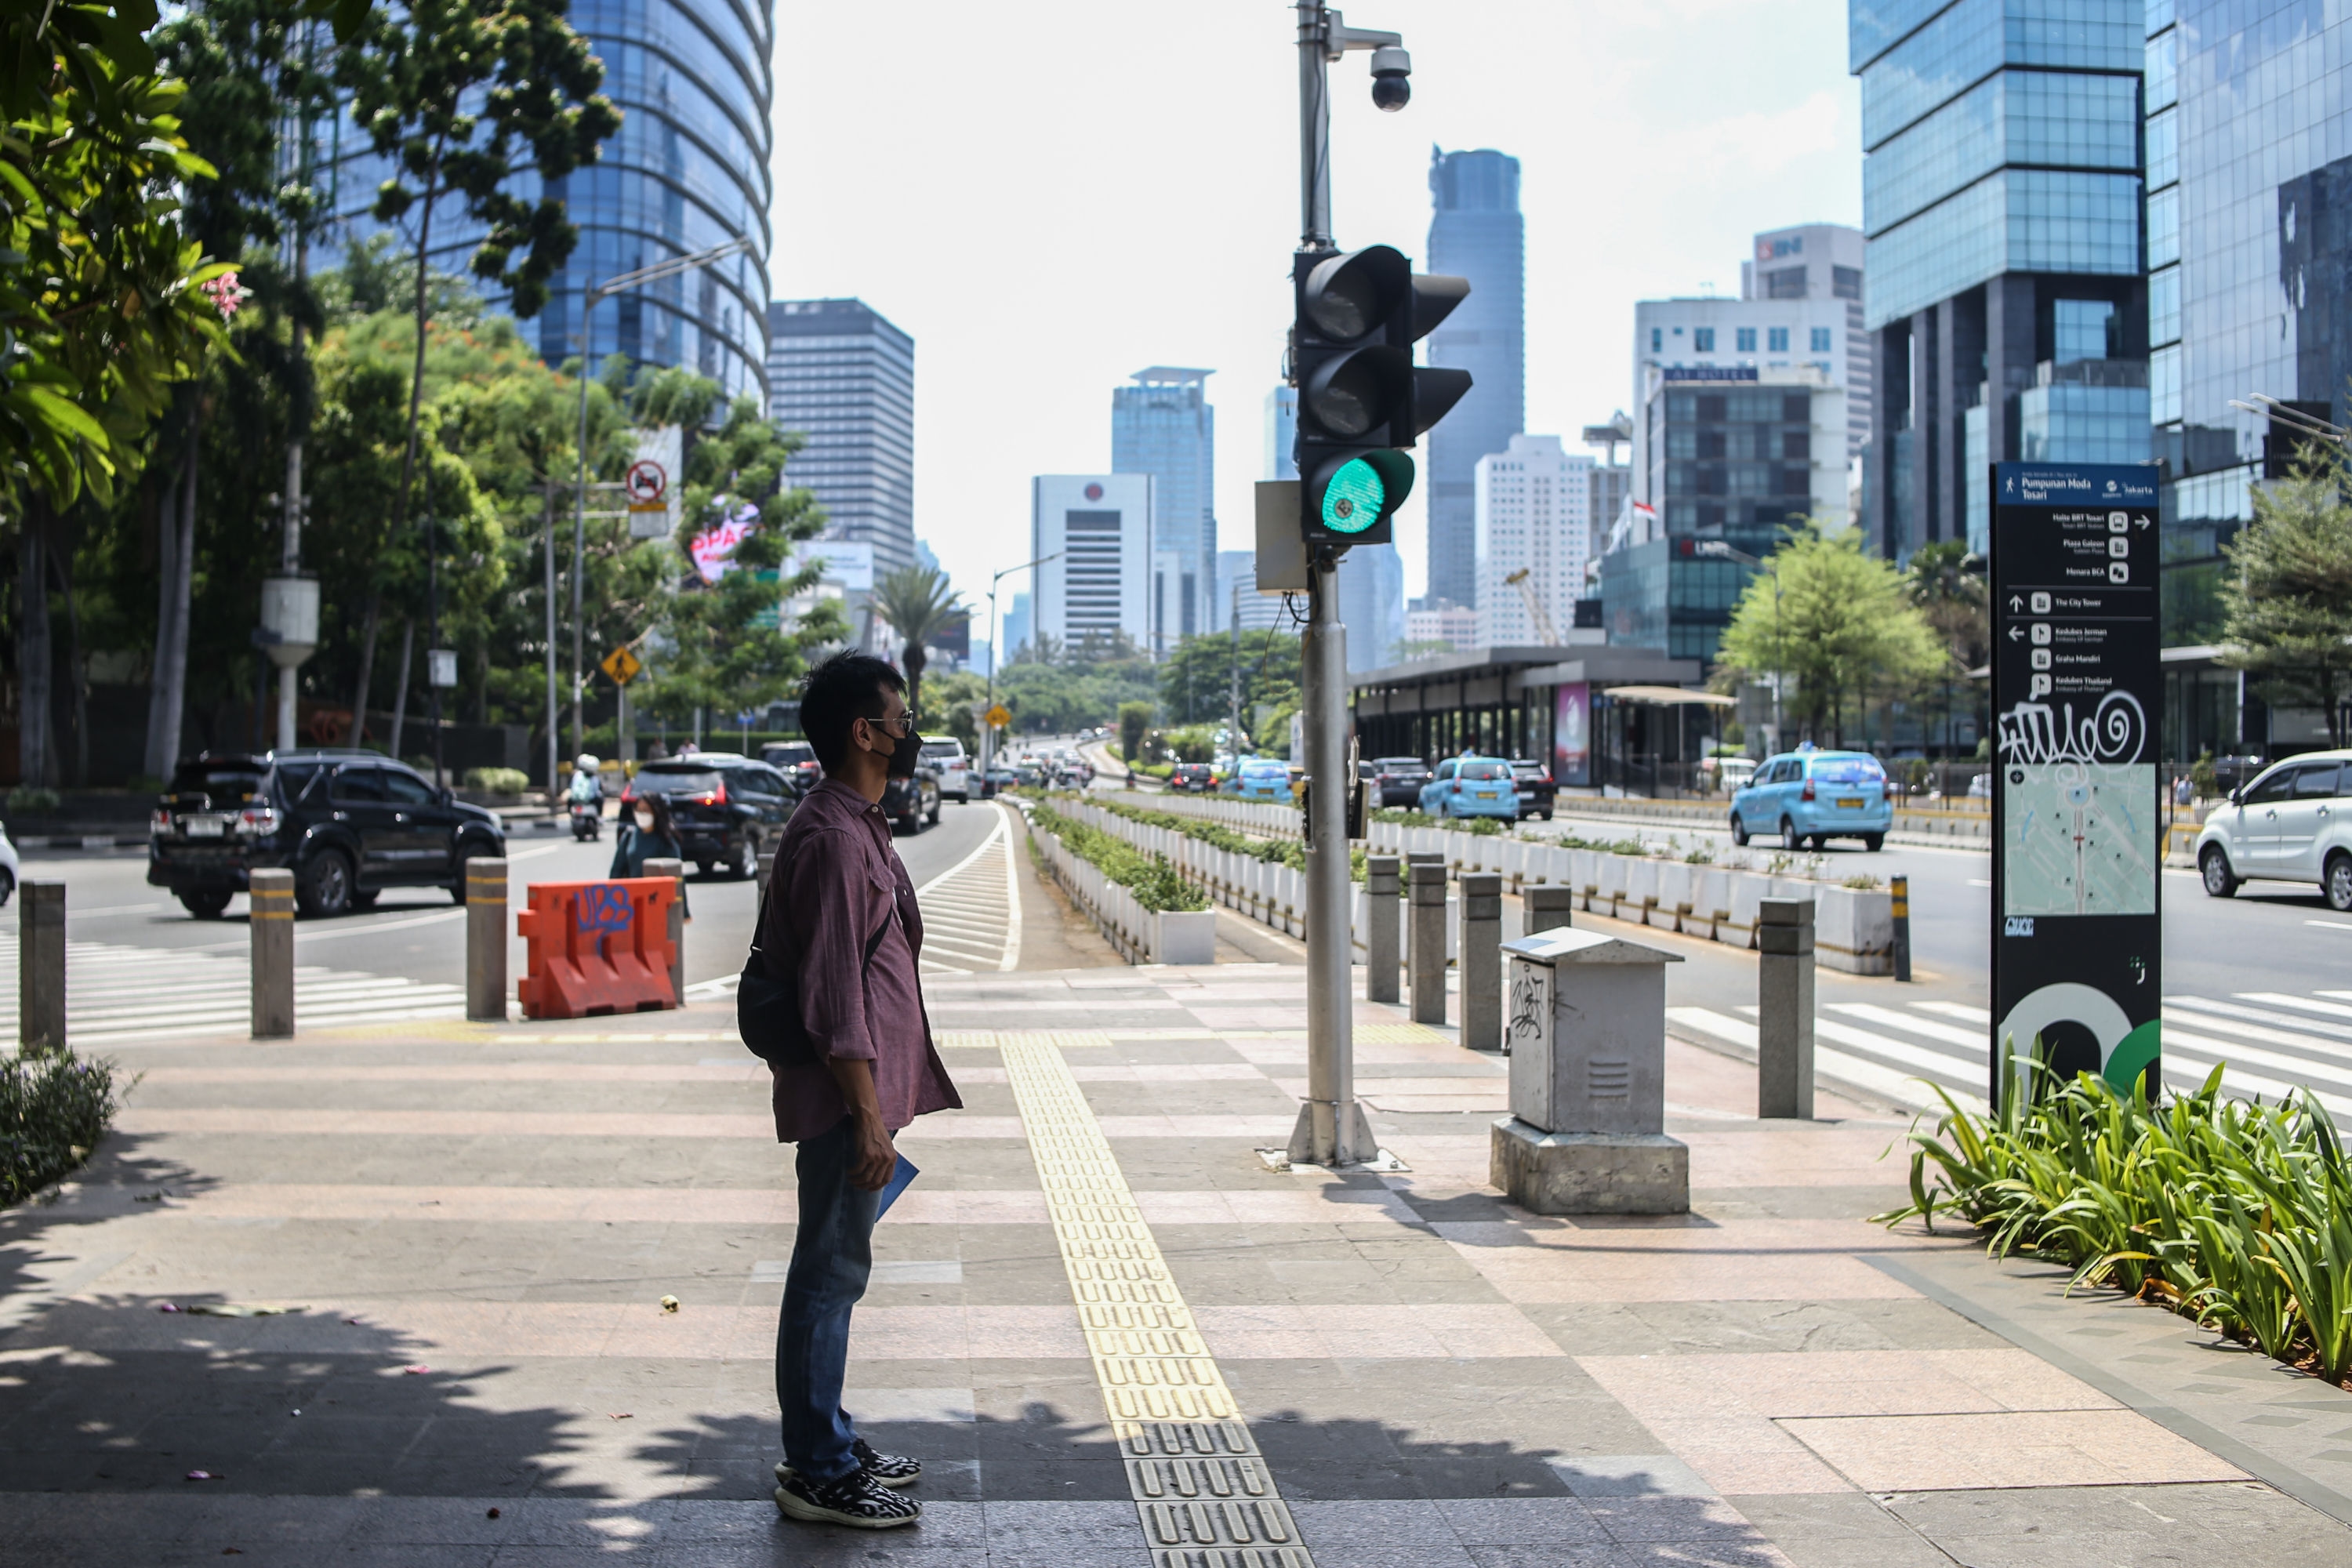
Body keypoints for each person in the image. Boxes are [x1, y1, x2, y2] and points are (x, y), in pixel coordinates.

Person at [763, 651, 960, 1530]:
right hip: (847, 1097)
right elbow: (834, 990)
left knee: (835, 1267)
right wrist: (869, 1116)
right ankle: (817, 1468)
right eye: (900, 715)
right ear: (864, 732)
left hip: (858, 1093)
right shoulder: (838, 836)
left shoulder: (858, 823)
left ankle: (829, 1435)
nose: (908, 728)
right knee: (829, 1273)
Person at [610, 793, 690, 915]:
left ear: (656, 812)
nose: (642, 814)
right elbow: (616, 871)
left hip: (658, 903)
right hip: (632, 904)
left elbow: (677, 877)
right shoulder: (629, 836)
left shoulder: (666, 839)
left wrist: (684, 912)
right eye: (639, 810)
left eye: (646, 810)